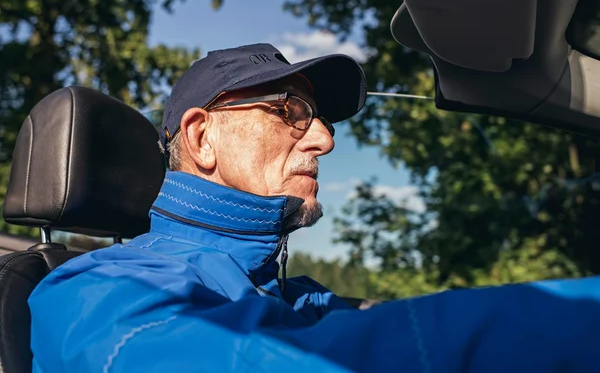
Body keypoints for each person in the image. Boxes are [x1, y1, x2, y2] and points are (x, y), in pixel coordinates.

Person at [29, 43, 600, 373]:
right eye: (290, 110)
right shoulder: (101, 291)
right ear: (202, 139)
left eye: (321, 120)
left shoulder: (292, 295)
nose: (324, 139)